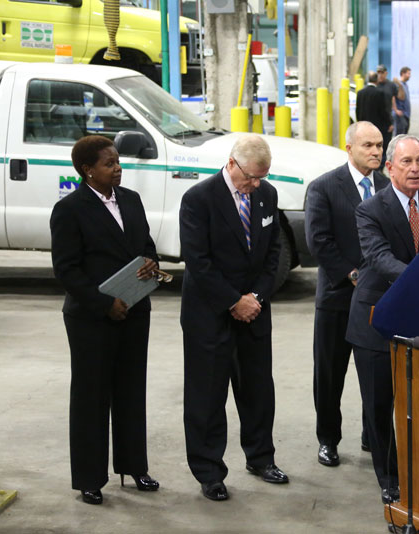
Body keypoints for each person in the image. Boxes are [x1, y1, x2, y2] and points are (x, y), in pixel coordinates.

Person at [345, 135, 419, 504]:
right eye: (406, 162)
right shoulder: (370, 210)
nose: (415, 168)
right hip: (377, 320)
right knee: (380, 406)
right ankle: (389, 478)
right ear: (389, 167)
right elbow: (378, 258)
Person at [50, 135, 160, 505]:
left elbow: (146, 244)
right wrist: (104, 304)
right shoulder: (70, 210)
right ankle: (89, 478)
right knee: (91, 397)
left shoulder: (131, 200)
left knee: (131, 392)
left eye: (118, 162)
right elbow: (66, 270)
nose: (118, 168)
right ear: (88, 170)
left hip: (134, 310)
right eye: (109, 163)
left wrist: (151, 263)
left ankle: (134, 467)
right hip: (91, 319)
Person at [179, 134, 288, 502]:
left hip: (254, 310)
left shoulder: (267, 195)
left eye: (262, 177)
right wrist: (233, 301)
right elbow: (198, 262)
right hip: (210, 313)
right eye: (251, 178)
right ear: (231, 164)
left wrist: (256, 297)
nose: (255, 185)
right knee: (207, 395)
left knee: (258, 390)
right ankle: (209, 471)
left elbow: (274, 253)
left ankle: (261, 458)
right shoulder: (198, 200)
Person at [305, 122, 390, 467]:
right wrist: (353, 275)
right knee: (329, 374)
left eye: (380, 145)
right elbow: (318, 241)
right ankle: (328, 439)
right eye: (368, 145)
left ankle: (374, 435)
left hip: (379, 301)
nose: (375, 152)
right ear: (349, 147)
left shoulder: (387, 186)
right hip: (338, 297)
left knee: (377, 375)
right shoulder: (324, 187)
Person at [356, 71, 393, 165]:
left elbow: (358, 110)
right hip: (378, 127)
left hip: (364, 127)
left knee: (366, 146)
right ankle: (378, 166)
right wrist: (389, 123)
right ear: (377, 80)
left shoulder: (360, 93)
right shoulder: (379, 93)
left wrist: (359, 124)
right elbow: (383, 111)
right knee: (379, 147)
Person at [392, 67, 412, 135]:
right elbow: (393, 97)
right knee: (399, 136)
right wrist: (395, 110)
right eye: (408, 73)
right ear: (403, 73)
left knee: (404, 135)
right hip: (400, 114)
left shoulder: (405, 85)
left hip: (406, 114)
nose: (410, 75)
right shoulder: (398, 84)